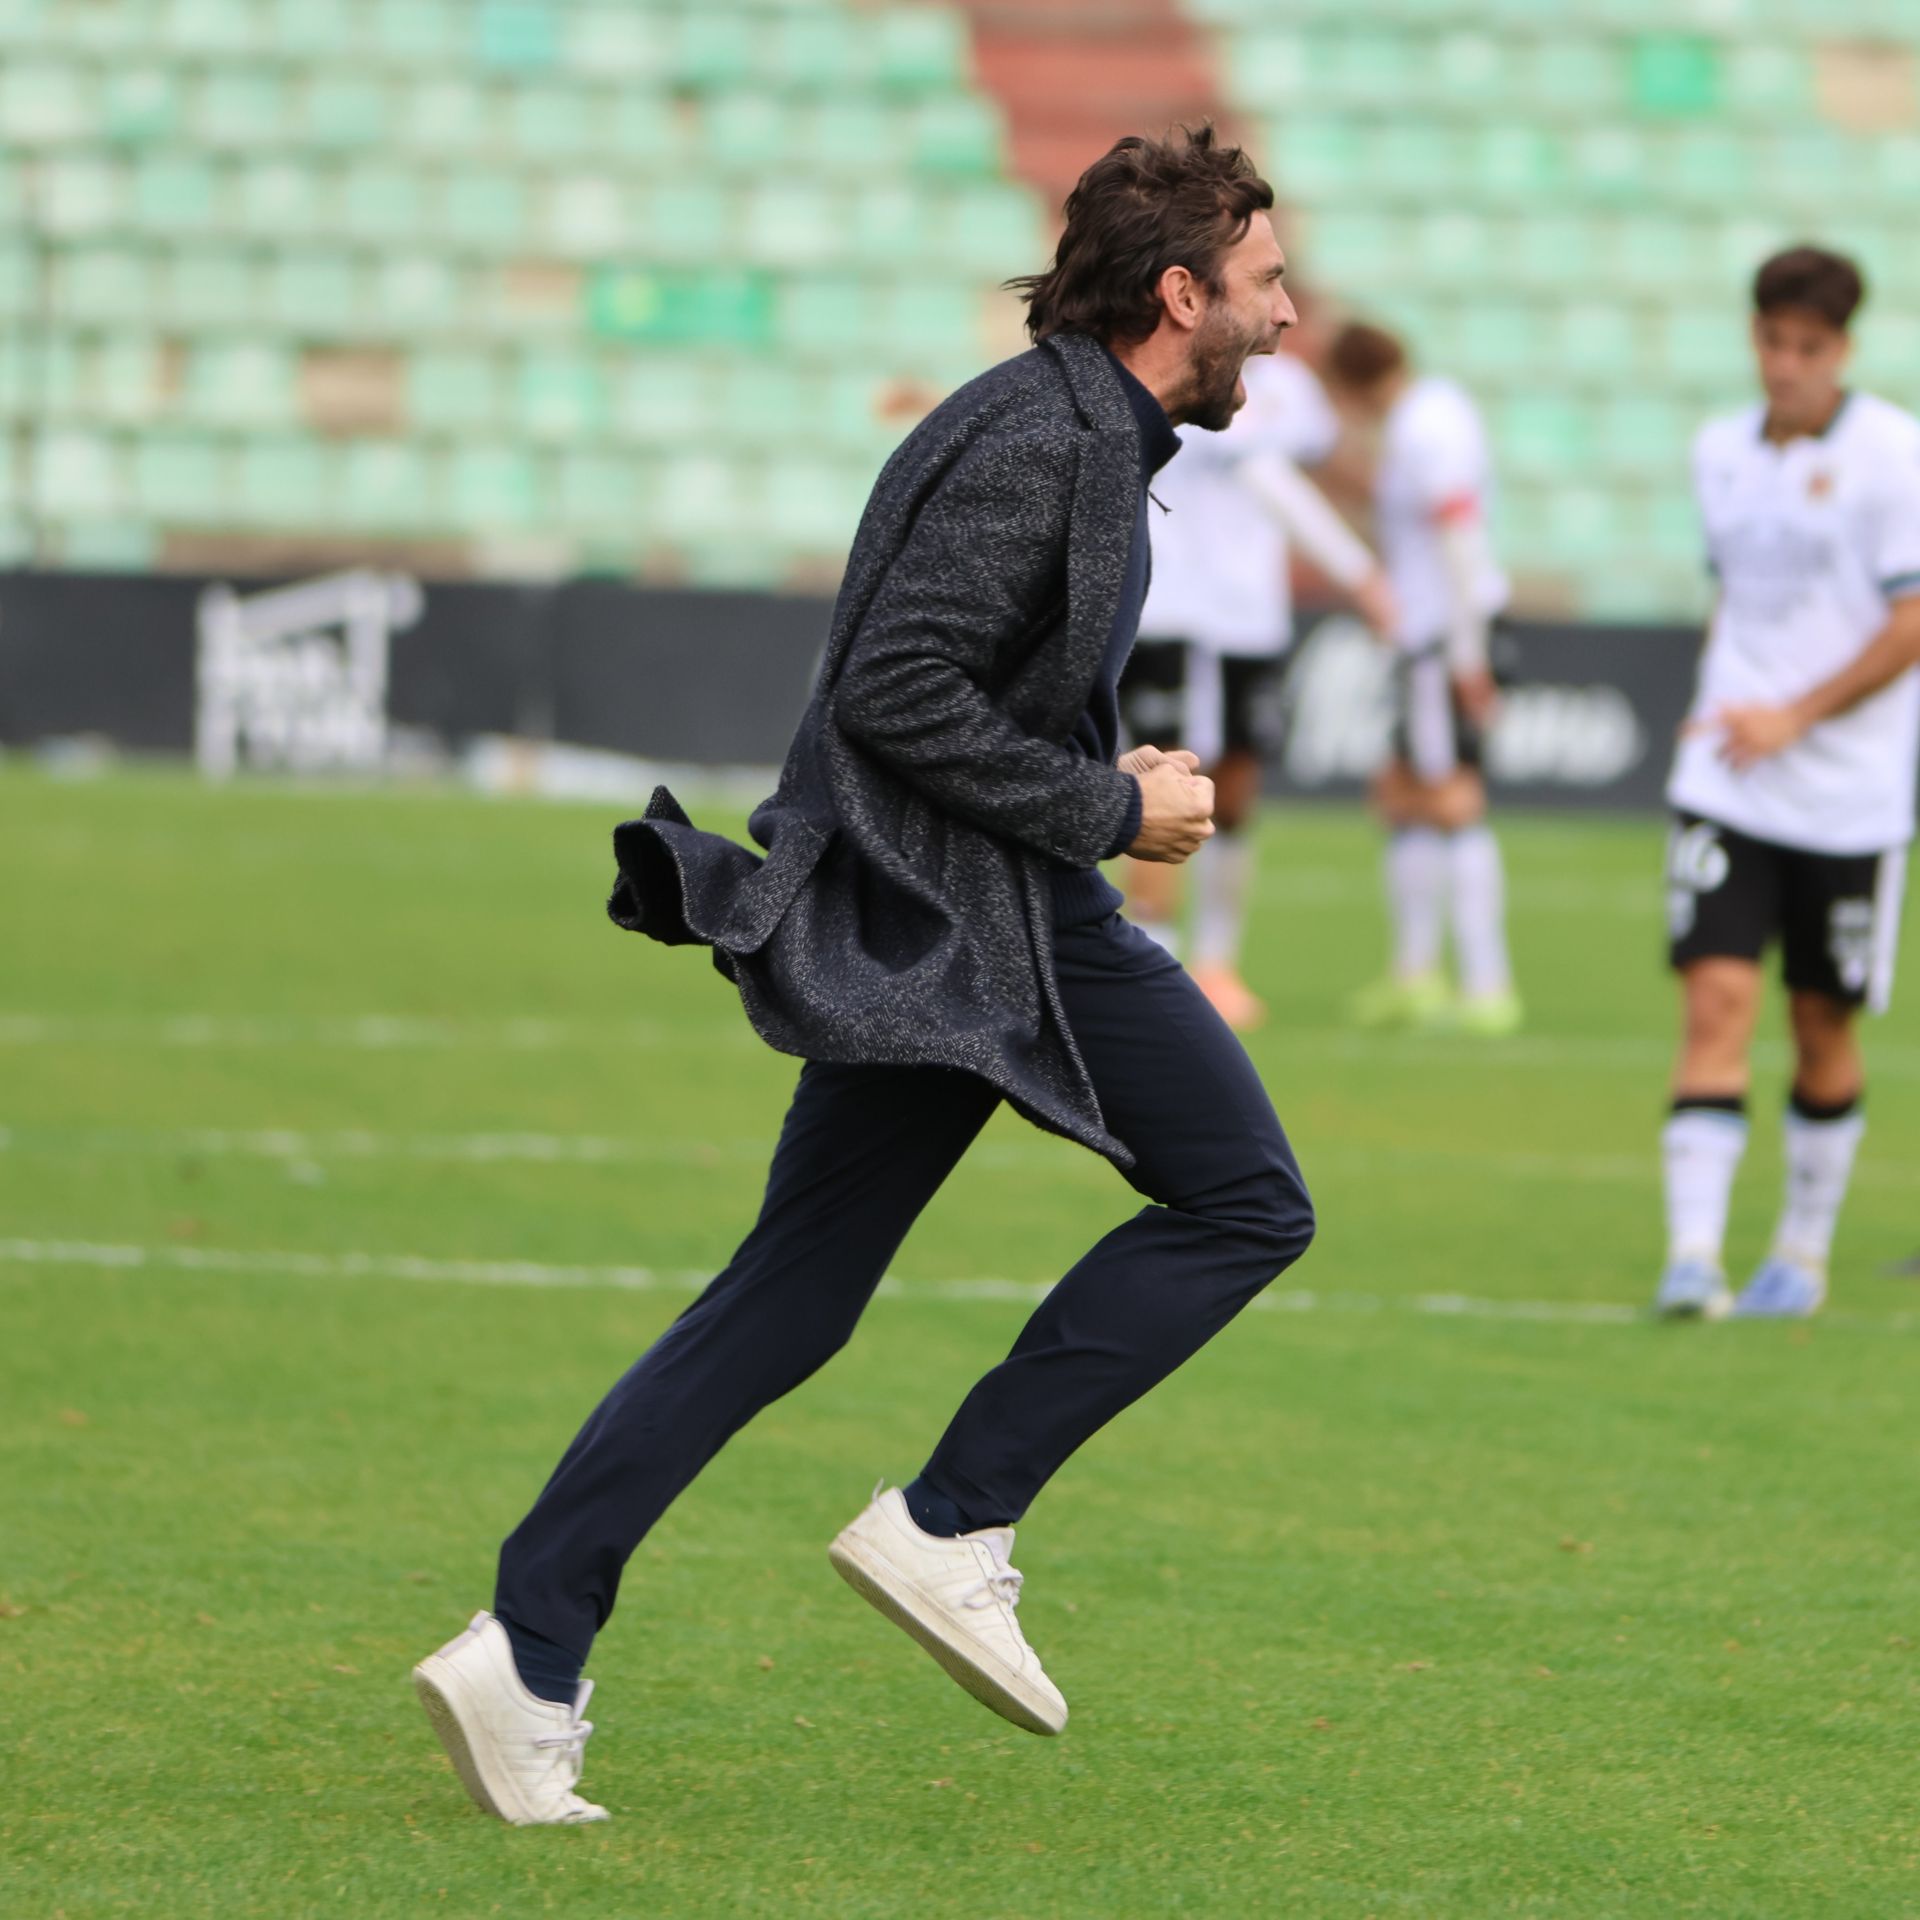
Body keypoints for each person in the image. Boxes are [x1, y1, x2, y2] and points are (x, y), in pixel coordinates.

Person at [410, 127, 1315, 1826]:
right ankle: (955, 1517)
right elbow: (897, 692)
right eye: (1265, 287)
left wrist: (1107, 774)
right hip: (983, 920)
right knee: (1249, 1202)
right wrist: (1115, 806)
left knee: (786, 1301)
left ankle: (524, 1649)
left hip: (938, 927)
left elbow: (954, 683)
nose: (1285, 320)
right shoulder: (1047, 440)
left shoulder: (1065, 426)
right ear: (1180, 292)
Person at [1654, 245, 1920, 1321]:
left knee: (1822, 1026)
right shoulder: (1718, 451)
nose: (1786, 365)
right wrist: (1718, 691)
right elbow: (1742, 601)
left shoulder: (1895, 455)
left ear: (1843, 350)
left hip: (1848, 796)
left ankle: (1800, 1254)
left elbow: (1910, 622)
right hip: (1726, 781)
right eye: (1772, 342)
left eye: (1808, 348)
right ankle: (1692, 1257)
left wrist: (1794, 715)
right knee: (1716, 1000)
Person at [1119, 343, 1395, 1029]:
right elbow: (1271, 479)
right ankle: (1153, 961)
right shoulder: (1165, 366)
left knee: (1236, 787)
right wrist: (1360, 575)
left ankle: (1215, 962)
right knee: (1160, 779)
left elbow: (1308, 464)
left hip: (1251, 618)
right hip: (1168, 607)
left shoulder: (1290, 388)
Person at [1323, 323, 1521, 1036]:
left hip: (1445, 635)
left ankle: (1484, 985)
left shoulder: (1425, 429)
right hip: (1432, 635)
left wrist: (1467, 659)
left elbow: (1460, 540)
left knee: (1449, 797)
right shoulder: (1433, 412)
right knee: (1403, 794)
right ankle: (1417, 974)